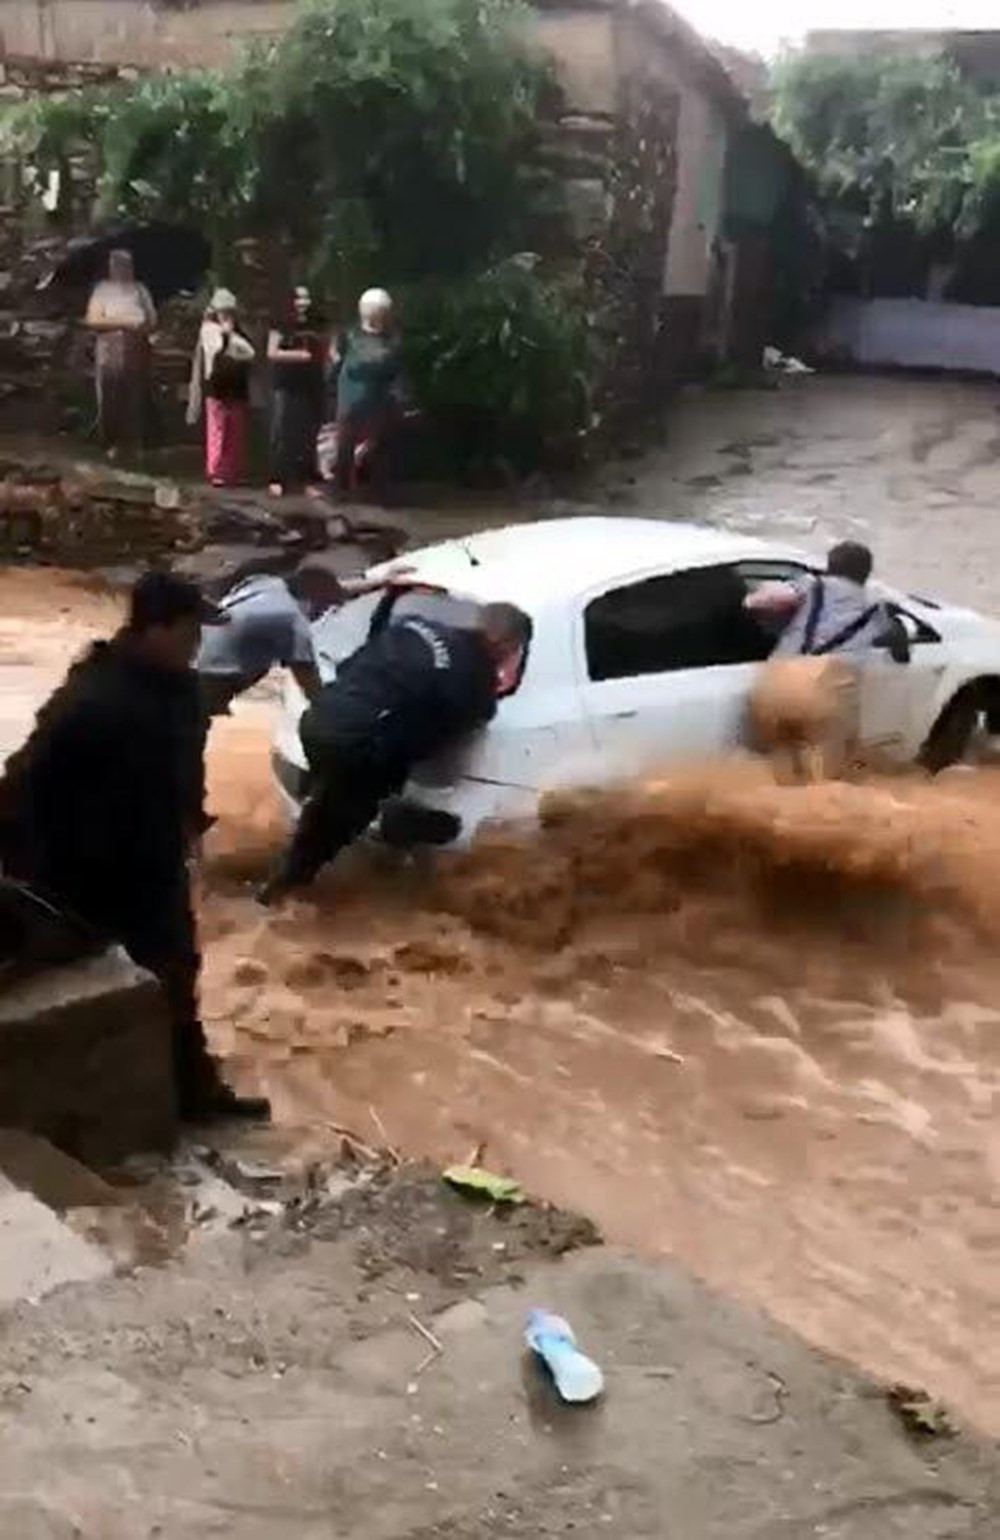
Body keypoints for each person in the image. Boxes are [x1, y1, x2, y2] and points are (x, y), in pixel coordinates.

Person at [0, 572, 269, 1123]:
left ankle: (196, 1095)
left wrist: (191, 826)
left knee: (179, 976)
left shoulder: (182, 694)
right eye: (192, 631)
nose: (199, 644)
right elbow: (23, 778)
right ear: (156, 628)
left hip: (153, 866)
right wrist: (27, 864)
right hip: (86, 870)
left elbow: (184, 770)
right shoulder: (93, 697)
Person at [257, 600, 532, 905]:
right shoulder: (475, 685)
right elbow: (436, 744)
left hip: (319, 719)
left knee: (331, 807)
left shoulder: (414, 624)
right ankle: (277, 900)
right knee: (339, 819)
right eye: (514, 651)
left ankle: (310, 849)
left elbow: (353, 664)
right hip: (357, 747)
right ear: (505, 644)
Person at [744, 540, 907, 778]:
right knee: (826, 773)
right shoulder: (876, 606)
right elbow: (896, 637)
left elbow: (758, 601)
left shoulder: (810, 586)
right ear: (866, 573)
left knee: (777, 762)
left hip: (778, 681)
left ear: (829, 566)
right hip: (827, 687)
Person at [196, 558, 415, 723]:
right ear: (313, 602)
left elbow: (334, 589)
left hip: (194, 653)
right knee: (187, 735)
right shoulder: (293, 622)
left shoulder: (267, 584)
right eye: (326, 608)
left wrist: (380, 582)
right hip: (215, 677)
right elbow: (312, 689)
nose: (325, 614)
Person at [324, 287, 403, 502]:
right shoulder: (392, 340)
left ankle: (341, 491)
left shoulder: (347, 336)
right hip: (377, 401)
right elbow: (395, 372)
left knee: (345, 447)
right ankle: (381, 492)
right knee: (380, 448)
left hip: (350, 400)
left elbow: (334, 367)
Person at [84, 248, 157, 458]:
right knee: (110, 394)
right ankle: (110, 443)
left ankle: (134, 442)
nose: (121, 268)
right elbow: (93, 320)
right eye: (116, 264)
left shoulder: (140, 289)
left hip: (137, 346)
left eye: (125, 264)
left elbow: (152, 320)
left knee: (136, 394)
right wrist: (125, 323)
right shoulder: (103, 290)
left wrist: (140, 326)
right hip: (110, 346)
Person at [187, 288, 256, 487]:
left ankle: (232, 470)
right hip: (218, 384)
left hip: (237, 384)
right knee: (218, 428)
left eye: (230, 312)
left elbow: (249, 352)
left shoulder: (240, 330)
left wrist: (233, 339)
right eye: (223, 311)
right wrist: (228, 338)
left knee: (235, 428)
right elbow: (217, 350)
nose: (227, 316)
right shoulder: (208, 329)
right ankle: (216, 470)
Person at [267, 285, 325, 496]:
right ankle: (277, 478)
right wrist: (299, 356)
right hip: (285, 382)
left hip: (309, 383)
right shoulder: (281, 323)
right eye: (299, 298)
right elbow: (272, 352)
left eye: (306, 298)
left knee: (307, 434)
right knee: (281, 432)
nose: (304, 303)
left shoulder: (315, 323)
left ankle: (307, 479)